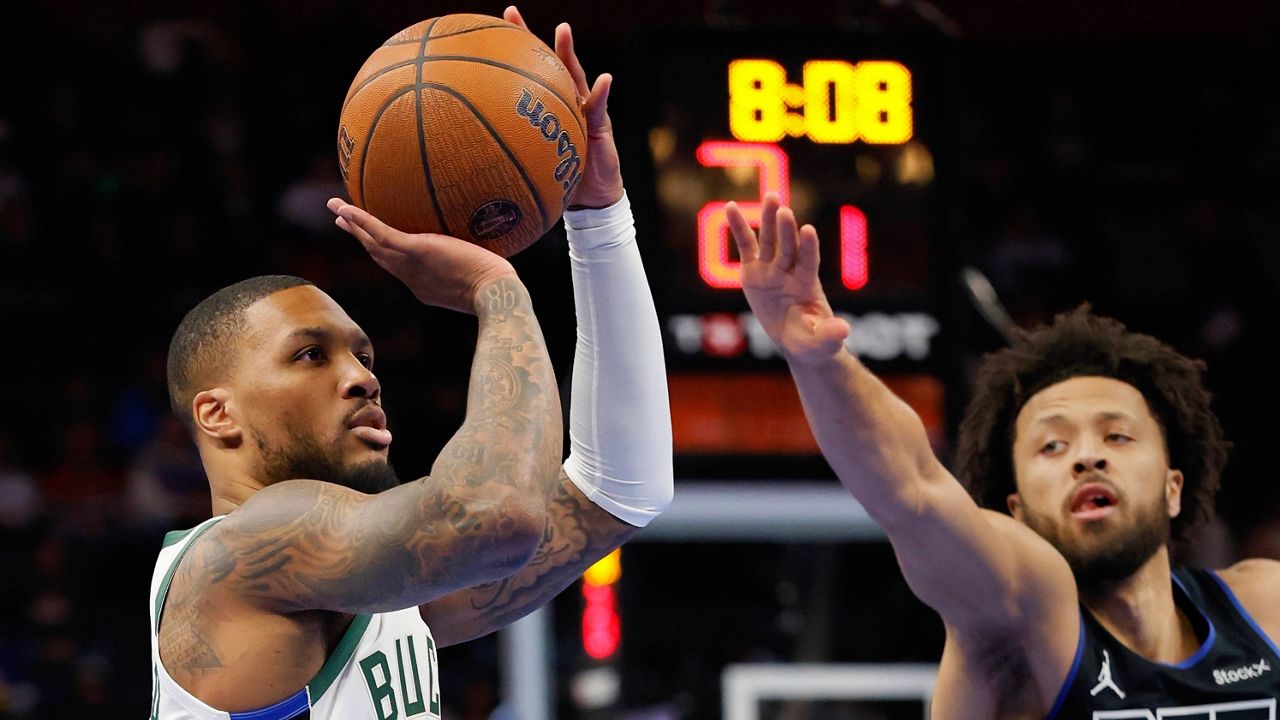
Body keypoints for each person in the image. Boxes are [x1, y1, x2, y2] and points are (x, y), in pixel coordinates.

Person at [149, 8, 672, 718]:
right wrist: (497, 290)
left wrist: (599, 215)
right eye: (310, 354)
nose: (363, 376)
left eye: (363, 354)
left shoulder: (379, 598)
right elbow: (499, 514)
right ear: (217, 413)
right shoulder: (238, 558)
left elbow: (621, 495)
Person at [727, 194, 1279, 717]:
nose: (1087, 457)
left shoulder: (1264, 608)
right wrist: (824, 364)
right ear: (1014, 509)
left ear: (1173, 486)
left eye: (1117, 436)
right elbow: (912, 490)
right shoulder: (1021, 623)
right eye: (1052, 446)